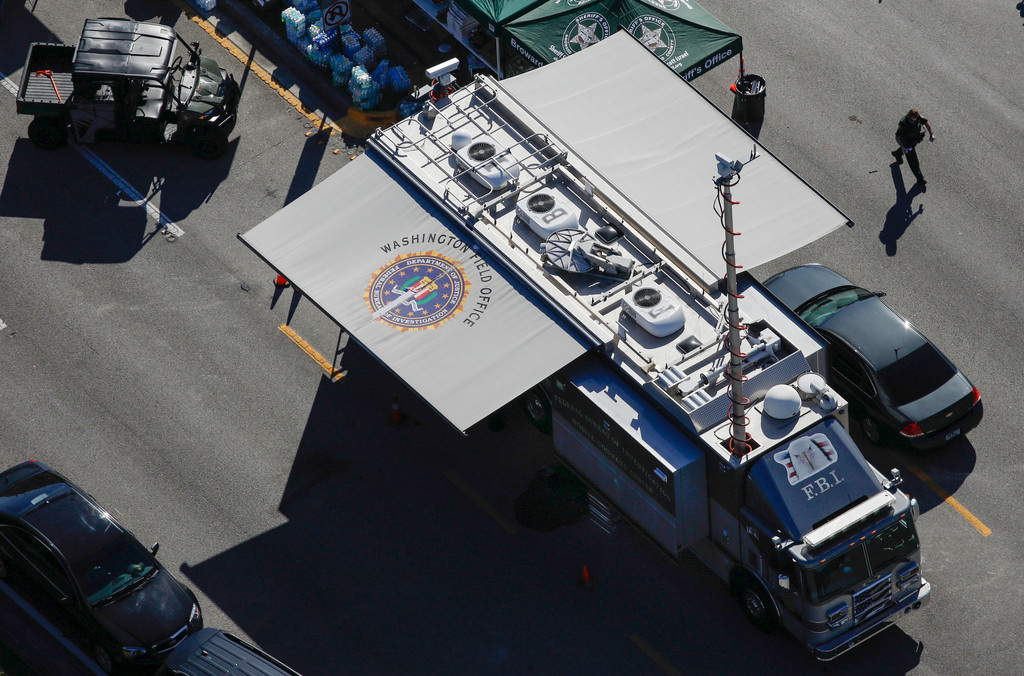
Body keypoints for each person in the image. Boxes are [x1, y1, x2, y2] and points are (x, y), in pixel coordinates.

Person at [891, 109, 934, 187]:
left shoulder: (918, 117)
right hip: (906, 143)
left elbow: (926, 123)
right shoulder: (904, 123)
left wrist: (931, 134)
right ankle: (920, 178)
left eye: (915, 118)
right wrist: (903, 147)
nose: (913, 120)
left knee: (909, 152)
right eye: (912, 118)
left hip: (914, 141)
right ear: (909, 116)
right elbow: (897, 137)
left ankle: (897, 154)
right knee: (913, 161)